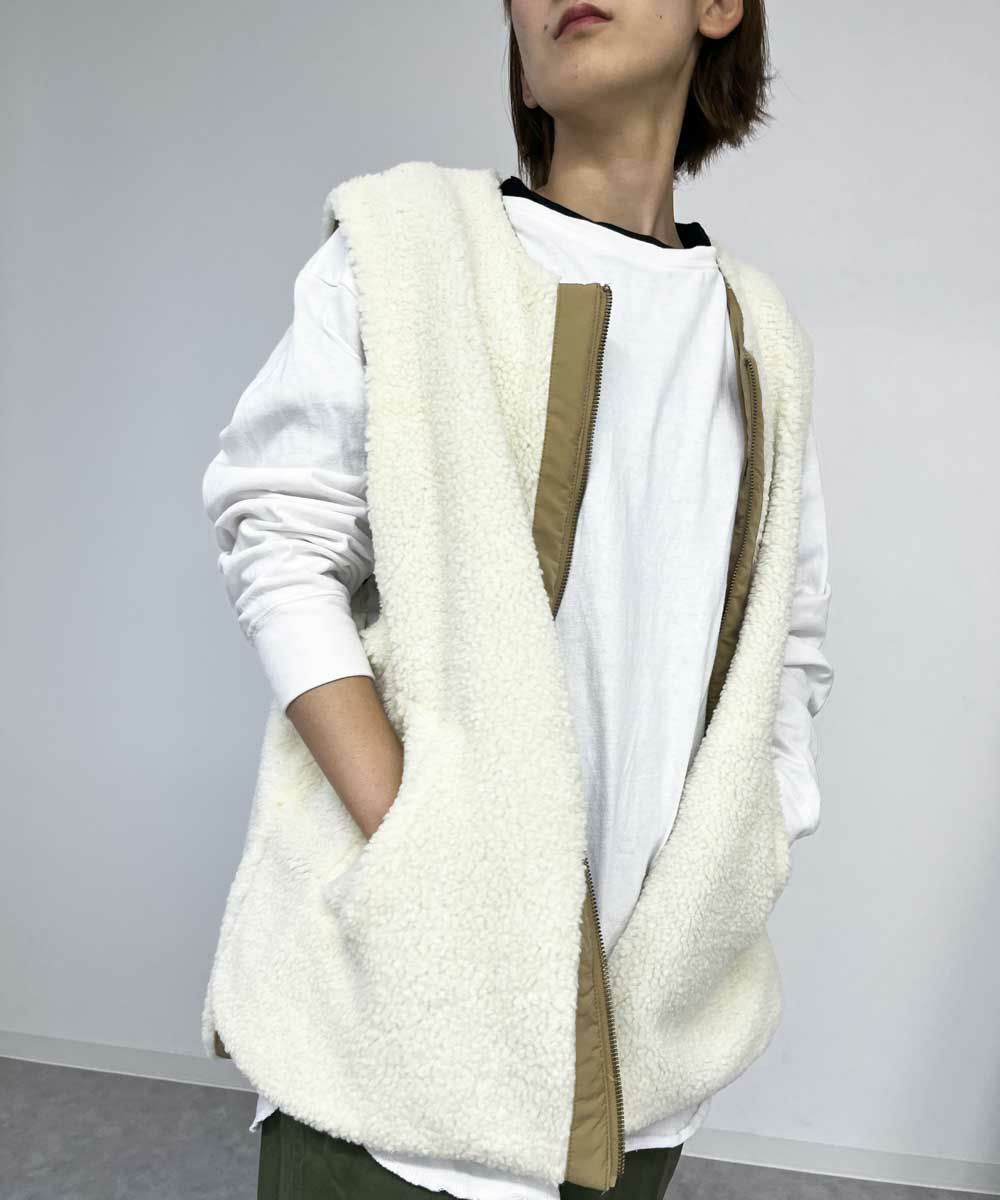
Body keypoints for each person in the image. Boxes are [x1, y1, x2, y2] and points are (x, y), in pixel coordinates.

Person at [199, 1, 834, 1197]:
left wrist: (753, 847)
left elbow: (786, 641)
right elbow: (277, 541)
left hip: (638, 1058)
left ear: (718, 9)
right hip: (397, 1041)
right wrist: (417, 841)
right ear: (523, 69)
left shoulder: (760, 336)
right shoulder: (408, 246)